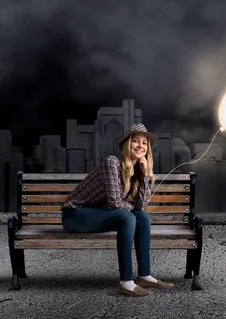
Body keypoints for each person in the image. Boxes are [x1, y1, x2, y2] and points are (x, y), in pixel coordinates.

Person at [61, 123, 174, 297]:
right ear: (126, 145)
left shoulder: (136, 173)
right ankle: (126, 282)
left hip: (98, 213)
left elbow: (141, 208)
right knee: (127, 217)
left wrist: (144, 176)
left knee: (142, 218)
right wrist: (130, 210)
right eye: (135, 141)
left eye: (144, 143)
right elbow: (114, 202)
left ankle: (144, 275)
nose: (140, 146)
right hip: (75, 214)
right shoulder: (112, 163)